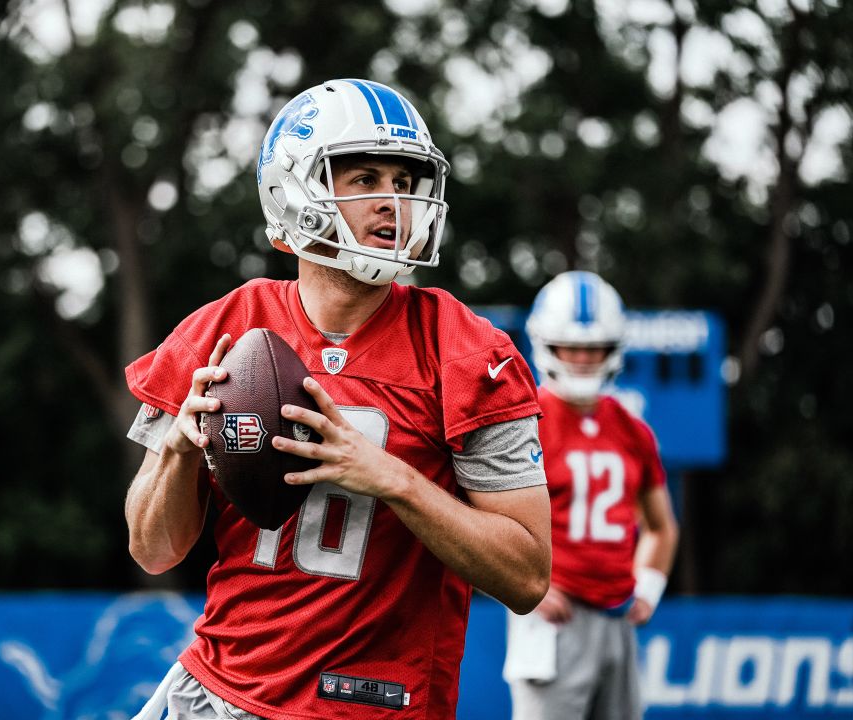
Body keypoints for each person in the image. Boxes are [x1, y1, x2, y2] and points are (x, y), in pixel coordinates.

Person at [123, 79, 553, 719]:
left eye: (406, 185)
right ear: (297, 190)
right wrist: (178, 452)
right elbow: (152, 550)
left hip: (372, 706)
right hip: (219, 693)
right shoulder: (222, 330)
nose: (394, 203)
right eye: (366, 179)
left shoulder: (467, 350)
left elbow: (527, 577)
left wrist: (395, 481)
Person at [504, 271, 679, 720]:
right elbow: (480, 518)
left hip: (617, 614)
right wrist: (522, 588)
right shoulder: (525, 420)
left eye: (594, 347)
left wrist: (649, 587)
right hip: (552, 613)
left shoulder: (631, 429)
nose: (583, 358)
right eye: (571, 346)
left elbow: (661, 526)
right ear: (547, 344)